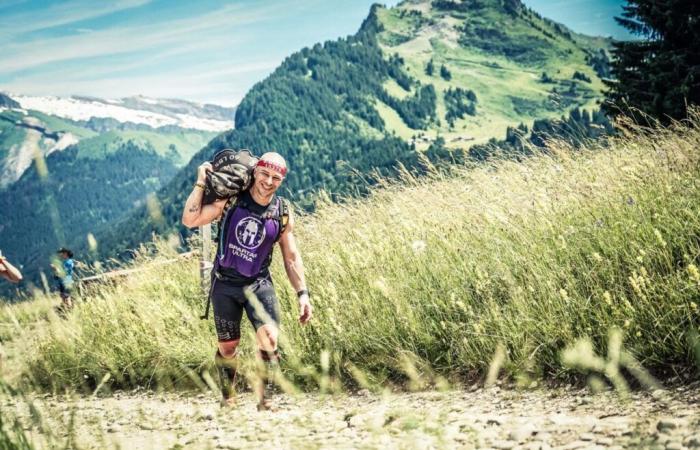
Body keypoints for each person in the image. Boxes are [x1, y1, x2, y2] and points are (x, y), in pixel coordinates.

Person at [182, 151, 312, 410]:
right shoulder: (231, 201)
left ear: (281, 181)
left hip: (258, 283)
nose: (268, 181)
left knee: (270, 339)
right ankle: (228, 398)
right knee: (228, 348)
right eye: (264, 173)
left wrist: (303, 294)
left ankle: (266, 400)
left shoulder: (282, 212)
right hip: (225, 285)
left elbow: (291, 257)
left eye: (276, 178)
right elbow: (190, 219)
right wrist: (200, 183)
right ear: (255, 171)